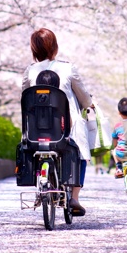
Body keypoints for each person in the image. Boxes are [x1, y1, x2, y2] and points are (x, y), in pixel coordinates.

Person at [22, 28, 92, 216]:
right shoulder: (68, 68)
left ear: (34, 50)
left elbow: (24, 96)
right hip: (66, 128)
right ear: (55, 47)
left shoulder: (30, 71)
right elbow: (84, 98)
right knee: (80, 153)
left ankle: (40, 186)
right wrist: (89, 104)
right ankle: (74, 198)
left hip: (37, 128)